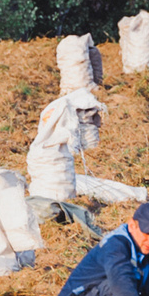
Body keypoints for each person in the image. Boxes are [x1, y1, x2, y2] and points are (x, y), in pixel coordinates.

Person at [24, 88, 108, 236]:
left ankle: (61, 205)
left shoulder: (50, 148)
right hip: (45, 200)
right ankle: (57, 206)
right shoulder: (42, 149)